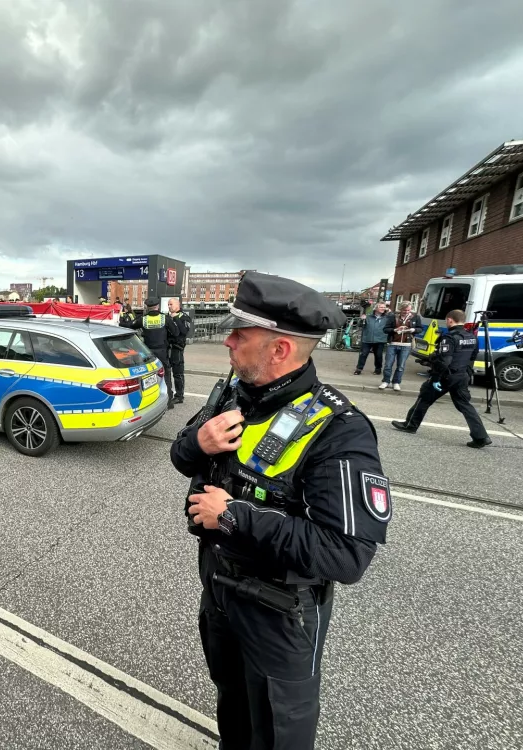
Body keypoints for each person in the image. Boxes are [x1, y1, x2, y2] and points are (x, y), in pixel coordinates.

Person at [173, 272, 390, 750]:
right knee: (232, 706)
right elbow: (181, 456)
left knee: (276, 732)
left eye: (240, 334)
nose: (227, 340)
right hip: (219, 591)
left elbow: (347, 554)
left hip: (279, 612)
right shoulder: (232, 392)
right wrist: (197, 440)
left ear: (280, 350)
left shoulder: (340, 430)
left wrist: (234, 516)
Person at [392, 309, 491, 447]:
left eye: (447, 320)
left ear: (450, 320)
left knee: (424, 397)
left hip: (446, 376)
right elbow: (472, 357)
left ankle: (410, 425)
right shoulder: (472, 337)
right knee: (465, 405)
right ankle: (481, 437)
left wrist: (436, 378)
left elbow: (444, 361)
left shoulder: (449, 338)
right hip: (461, 376)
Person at [121, 297, 176, 409]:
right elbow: (175, 332)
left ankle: (151, 399)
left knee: (149, 376)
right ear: (158, 306)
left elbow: (129, 325)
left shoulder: (143, 319)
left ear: (147, 307)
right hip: (162, 351)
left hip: (148, 352)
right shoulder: (165, 318)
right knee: (165, 374)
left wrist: (118, 320)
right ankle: (169, 401)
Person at [379, 301, 422, 391]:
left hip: (406, 344)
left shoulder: (415, 317)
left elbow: (420, 329)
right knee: (388, 364)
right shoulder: (392, 316)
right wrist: (395, 329)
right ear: (400, 309)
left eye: (408, 310)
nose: (406, 312)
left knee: (401, 365)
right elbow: (385, 329)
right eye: (404, 310)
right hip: (393, 343)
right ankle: (386, 381)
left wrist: (412, 329)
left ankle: (396, 382)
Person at [167, 298, 192, 404]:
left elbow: (184, 331)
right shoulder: (167, 317)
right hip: (167, 348)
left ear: (177, 305)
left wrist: (176, 318)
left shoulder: (184, 317)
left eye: (171, 304)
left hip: (177, 349)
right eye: (168, 304)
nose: (169, 306)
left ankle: (179, 395)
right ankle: (168, 394)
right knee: (166, 373)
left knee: (178, 374)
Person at [354, 302, 389, 375]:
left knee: (378, 355)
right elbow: (360, 325)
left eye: (384, 307)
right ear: (376, 308)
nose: (383, 309)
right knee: (363, 354)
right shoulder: (368, 317)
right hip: (367, 339)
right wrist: (361, 319)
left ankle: (378, 369)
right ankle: (359, 369)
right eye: (381, 307)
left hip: (380, 339)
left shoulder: (386, 318)